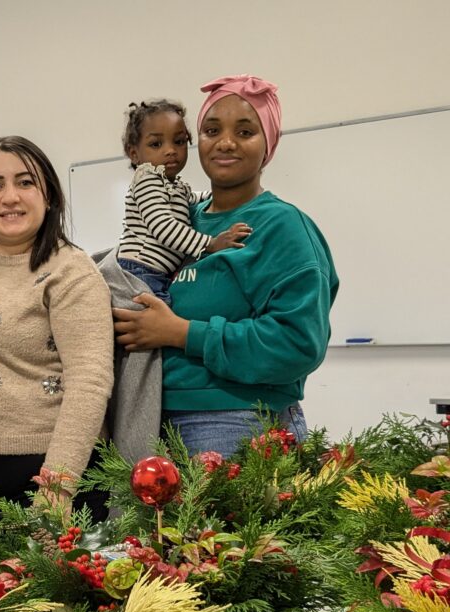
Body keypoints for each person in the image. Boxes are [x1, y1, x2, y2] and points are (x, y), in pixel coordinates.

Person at [113, 75, 339, 458]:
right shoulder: (183, 216)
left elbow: (298, 344)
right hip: (149, 421)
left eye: (246, 131)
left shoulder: (281, 226)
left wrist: (182, 333)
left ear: (268, 144)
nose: (226, 142)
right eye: (211, 130)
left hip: (235, 421)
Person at [0, 135, 113, 514]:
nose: (9, 196)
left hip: (43, 472)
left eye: (25, 182)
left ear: (48, 197)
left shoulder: (71, 271)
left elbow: (90, 382)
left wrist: (58, 487)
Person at [118, 99, 251, 304]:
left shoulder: (175, 186)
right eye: (156, 144)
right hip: (138, 272)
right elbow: (162, 226)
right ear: (134, 154)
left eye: (179, 142)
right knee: (155, 330)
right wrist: (210, 243)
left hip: (156, 274)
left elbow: (195, 198)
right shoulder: (147, 180)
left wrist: (228, 192)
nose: (170, 150)